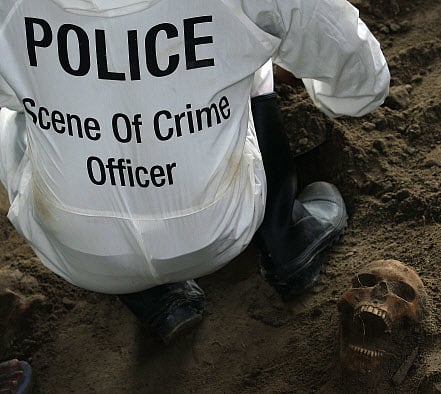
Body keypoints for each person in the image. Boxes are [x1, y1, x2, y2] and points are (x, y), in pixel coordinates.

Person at [0, 0, 389, 343]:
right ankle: (286, 235)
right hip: (220, 230)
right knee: (247, 48)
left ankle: (155, 298)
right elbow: (364, 83)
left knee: (16, 110)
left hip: (81, 254)